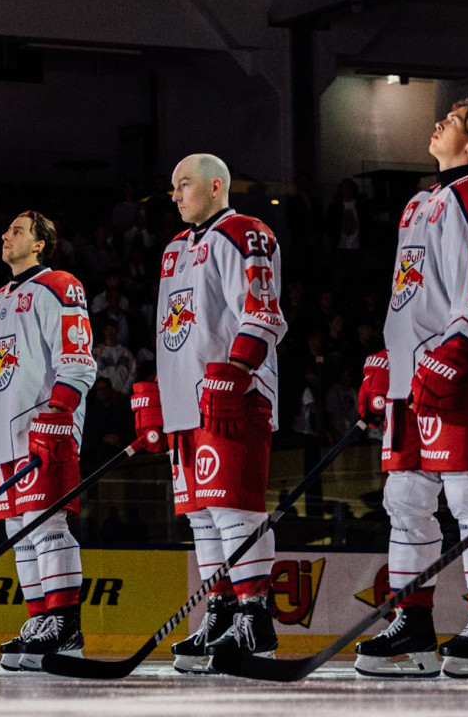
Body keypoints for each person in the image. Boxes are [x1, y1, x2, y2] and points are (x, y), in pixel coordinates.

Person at [353, 98, 468, 678]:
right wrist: (386, 359)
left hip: (462, 368)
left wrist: (452, 355)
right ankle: (413, 625)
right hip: (412, 376)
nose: (439, 123)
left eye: (453, 119)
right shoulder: (420, 203)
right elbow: (411, 296)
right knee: (404, 501)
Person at [142, 154, 288, 672]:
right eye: (173, 187)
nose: (176, 195)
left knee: (234, 509)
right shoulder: (173, 250)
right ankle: (224, 609)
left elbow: (263, 313)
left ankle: (256, 618)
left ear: (216, 185)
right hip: (187, 403)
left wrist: (238, 370)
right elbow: (172, 332)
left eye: (184, 184)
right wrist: (158, 396)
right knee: (202, 517)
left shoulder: (244, 232)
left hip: (232, 396)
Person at [0, 211, 96, 670]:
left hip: (47, 428)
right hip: (5, 435)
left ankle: (65, 626)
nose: (5, 235)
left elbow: (79, 359)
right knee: (17, 533)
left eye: (18, 231)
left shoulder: (60, 284)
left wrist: (59, 412)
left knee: (47, 527)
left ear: (41, 243)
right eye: (5, 230)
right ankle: (38, 621)